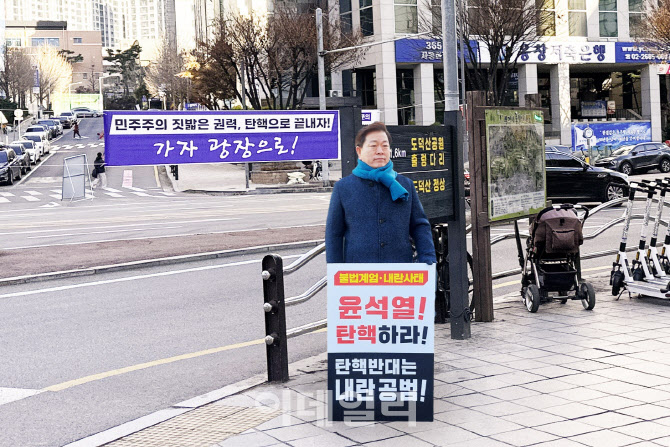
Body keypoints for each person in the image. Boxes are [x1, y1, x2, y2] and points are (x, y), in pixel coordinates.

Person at [326, 122, 436, 264]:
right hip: (359, 275)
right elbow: (334, 235)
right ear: (359, 151)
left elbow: (420, 226)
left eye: (385, 146)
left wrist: (428, 260)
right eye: (373, 146)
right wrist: (335, 272)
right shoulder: (343, 188)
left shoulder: (405, 184)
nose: (380, 151)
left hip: (399, 272)